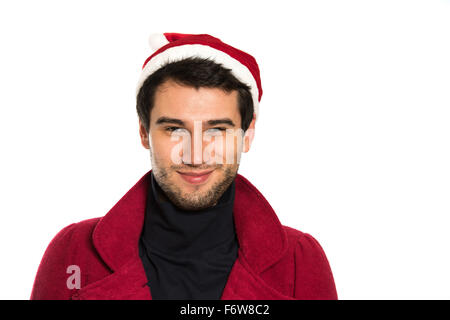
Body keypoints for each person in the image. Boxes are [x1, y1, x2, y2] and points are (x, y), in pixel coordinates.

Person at [30, 33, 338, 300]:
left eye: (216, 130)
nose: (195, 155)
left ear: (248, 133)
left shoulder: (301, 260)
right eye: (174, 129)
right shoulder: (73, 253)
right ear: (143, 132)